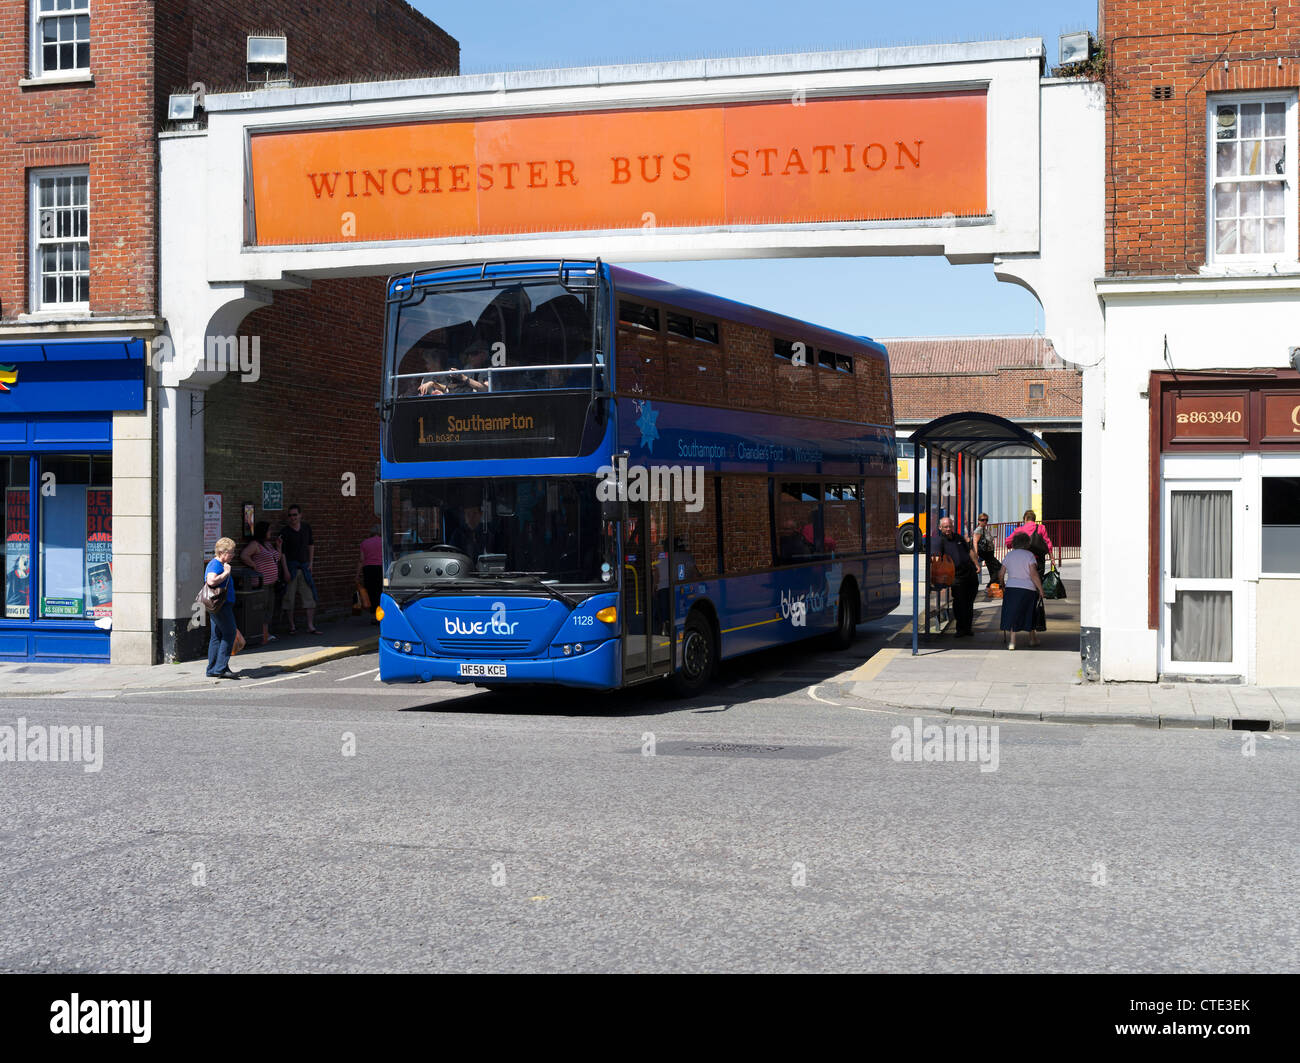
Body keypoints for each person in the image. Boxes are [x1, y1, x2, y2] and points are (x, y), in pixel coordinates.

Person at [241, 520, 289, 645]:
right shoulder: (255, 544)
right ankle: (263, 635)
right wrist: (254, 565)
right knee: (263, 609)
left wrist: (279, 546)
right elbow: (244, 555)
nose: (270, 532)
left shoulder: (268, 544)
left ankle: (266, 633)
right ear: (263, 532)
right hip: (262, 583)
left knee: (269, 609)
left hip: (271, 583)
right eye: (268, 530)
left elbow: (277, 557)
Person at [999, 531, 1046, 650]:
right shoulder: (1029, 555)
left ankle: (1012, 642)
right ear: (1027, 543)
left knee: (1012, 613)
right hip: (1027, 589)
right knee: (1029, 613)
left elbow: (1001, 573)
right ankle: (1032, 639)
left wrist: (1002, 583)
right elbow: (1034, 574)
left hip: (1011, 588)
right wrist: (1040, 589)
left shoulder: (1009, 555)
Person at [935, 515, 979, 637]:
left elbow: (969, 551)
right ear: (940, 528)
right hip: (956, 576)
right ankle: (960, 629)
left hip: (970, 574)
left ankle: (968, 628)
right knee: (959, 603)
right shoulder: (940, 541)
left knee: (969, 603)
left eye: (950, 526)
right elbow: (937, 560)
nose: (948, 529)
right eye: (945, 527)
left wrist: (976, 564)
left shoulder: (959, 537)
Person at [279, 504, 320, 635]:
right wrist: (285, 570)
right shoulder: (284, 532)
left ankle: (310, 625)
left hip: (304, 566)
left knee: (309, 597)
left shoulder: (306, 528)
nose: (292, 518)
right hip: (291, 567)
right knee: (289, 598)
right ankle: (292, 626)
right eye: (290, 515)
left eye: (295, 515)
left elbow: (311, 545)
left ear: (300, 515)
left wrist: (311, 562)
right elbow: (282, 553)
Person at [204, 537, 241, 679]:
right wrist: (226, 573)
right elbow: (211, 580)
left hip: (219, 605)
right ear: (221, 552)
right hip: (221, 606)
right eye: (230, 552)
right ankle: (220, 668)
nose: (233, 555)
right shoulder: (216, 565)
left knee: (217, 636)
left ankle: (213, 669)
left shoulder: (219, 563)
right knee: (230, 634)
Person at [1005, 508, 1054, 577]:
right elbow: (1048, 544)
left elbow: (1008, 542)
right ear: (1034, 519)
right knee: (1038, 581)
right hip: (1039, 560)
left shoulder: (1020, 530)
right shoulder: (1041, 528)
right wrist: (1052, 559)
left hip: (1024, 561)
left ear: (1025, 518)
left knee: (1026, 582)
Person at [357, 524, 383, 624]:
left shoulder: (364, 543)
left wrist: (357, 574)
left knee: (371, 593)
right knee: (380, 592)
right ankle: (381, 616)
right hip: (381, 569)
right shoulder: (383, 541)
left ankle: (374, 616)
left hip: (368, 569)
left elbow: (361, 560)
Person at [975, 513, 1001, 589]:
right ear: (979, 521)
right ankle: (990, 586)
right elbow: (975, 542)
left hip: (989, 554)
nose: (985, 522)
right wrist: (976, 554)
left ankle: (992, 585)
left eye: (986, 520)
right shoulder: (979, 530)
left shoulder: (984, 529)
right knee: (997, 569)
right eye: (982, 520)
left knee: (995, 570)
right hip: (986, 554)